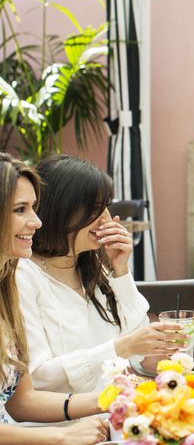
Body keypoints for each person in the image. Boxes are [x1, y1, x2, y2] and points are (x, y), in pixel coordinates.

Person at [16, 155, 181, 393]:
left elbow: (138, 346)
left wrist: (121, 269)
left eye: (106, 207)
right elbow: (38, 377)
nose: (106, 218)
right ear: (60, 211)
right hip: (59, 425)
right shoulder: (23, 275)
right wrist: (119, 348)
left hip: (110, 415)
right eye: (94, 209)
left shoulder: (94, 269)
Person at [0, 152, 108, 443]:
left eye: (34, 207)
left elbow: (20, 402)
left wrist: (112, 399)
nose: (36, 221)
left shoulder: (6, 287)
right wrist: (60, 438)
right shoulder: (25, 277)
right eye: (20, 209)